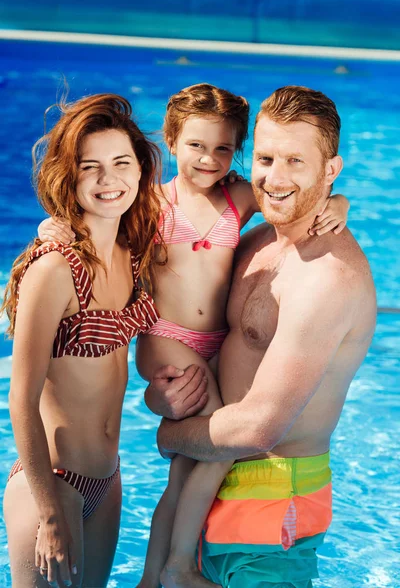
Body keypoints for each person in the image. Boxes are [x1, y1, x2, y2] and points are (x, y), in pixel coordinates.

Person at [38, 84, 351, 588]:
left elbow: (293, 193)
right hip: (167, 337)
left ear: (237, 149)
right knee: (220, 447)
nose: (209, 159)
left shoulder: (238, 197)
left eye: (224, 148)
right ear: (169, 140)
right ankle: (179, 565)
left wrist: (341, 202)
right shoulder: (151, 203)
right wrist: (52, 228)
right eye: (197, 146)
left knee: (185, 472)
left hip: (211, 342)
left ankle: (150, 577)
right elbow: (92, 219)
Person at [146, 85, 377, 588]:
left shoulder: (327, 277)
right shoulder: (255, 244)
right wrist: (168, 393)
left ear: (330, 171)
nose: (275, 178)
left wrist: (169, 435)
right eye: (267, 157)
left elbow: (259, 428)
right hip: (208, 488)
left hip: (272, 509)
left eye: (296, 160)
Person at [1, 93, 163, 588]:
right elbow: (20, 400)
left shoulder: (135, 253)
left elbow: (214, 196)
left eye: (120, 163)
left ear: (141, 171)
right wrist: (50, 515)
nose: (108, 179)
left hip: (106, 482)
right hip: (52, 484)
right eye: (89, 167)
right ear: (69, 177)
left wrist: (338, 200)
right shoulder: (55, 268)